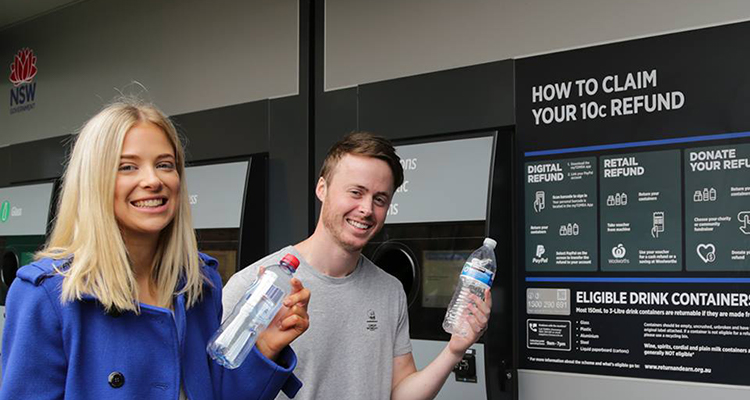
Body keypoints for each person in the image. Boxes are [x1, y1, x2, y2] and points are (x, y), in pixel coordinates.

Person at [0, 99, 310, 400]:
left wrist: (265, 343)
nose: (152, 180)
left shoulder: (199, 285)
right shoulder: (48, 294)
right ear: (94, 181)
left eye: (164, 165)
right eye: (127, 167)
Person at [223, 132, 491, 400]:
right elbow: (216, 388)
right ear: (322, 188)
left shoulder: (389, 290)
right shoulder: (254, 285)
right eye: (355, 192)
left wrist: (454, 350)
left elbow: (401, 393)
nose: (366, 209)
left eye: (380, 199)